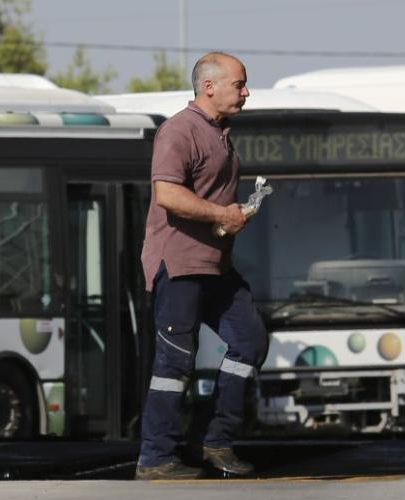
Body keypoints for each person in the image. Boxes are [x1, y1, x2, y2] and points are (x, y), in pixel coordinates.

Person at [135, 52, 269, 480]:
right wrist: (221, 215)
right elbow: (167, 196)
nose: (246, 92)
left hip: (216, 266)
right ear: (209, 87)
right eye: (239, 84)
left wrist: (236, 215)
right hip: (178, 265)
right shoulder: (179, 131)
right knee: (175, 365)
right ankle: (155, 458)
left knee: (250, 341)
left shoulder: (221, 133)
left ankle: (215, 439)